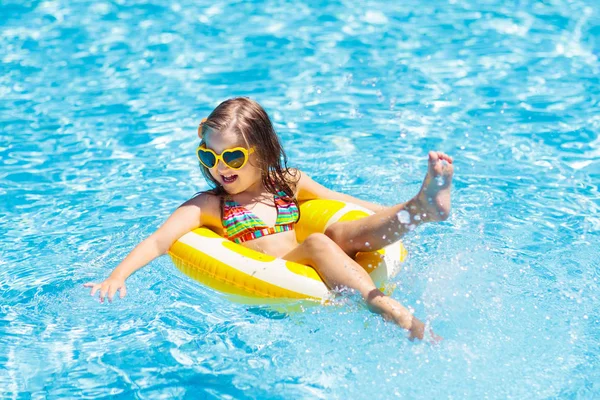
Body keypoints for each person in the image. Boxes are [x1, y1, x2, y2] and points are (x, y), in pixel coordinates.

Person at [84, 97, 453, 341]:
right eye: (209, 157)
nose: (219, 168)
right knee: (318, 242)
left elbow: (344, 203)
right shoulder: (211, 205)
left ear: (260, 153)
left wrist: (386, 211)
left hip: (321, 259)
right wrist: (117, 275)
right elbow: (158, 241)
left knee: (341, 230)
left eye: (232, 157)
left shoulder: (287, 183)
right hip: (288, 268)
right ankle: (376, 301)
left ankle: (420, 209)